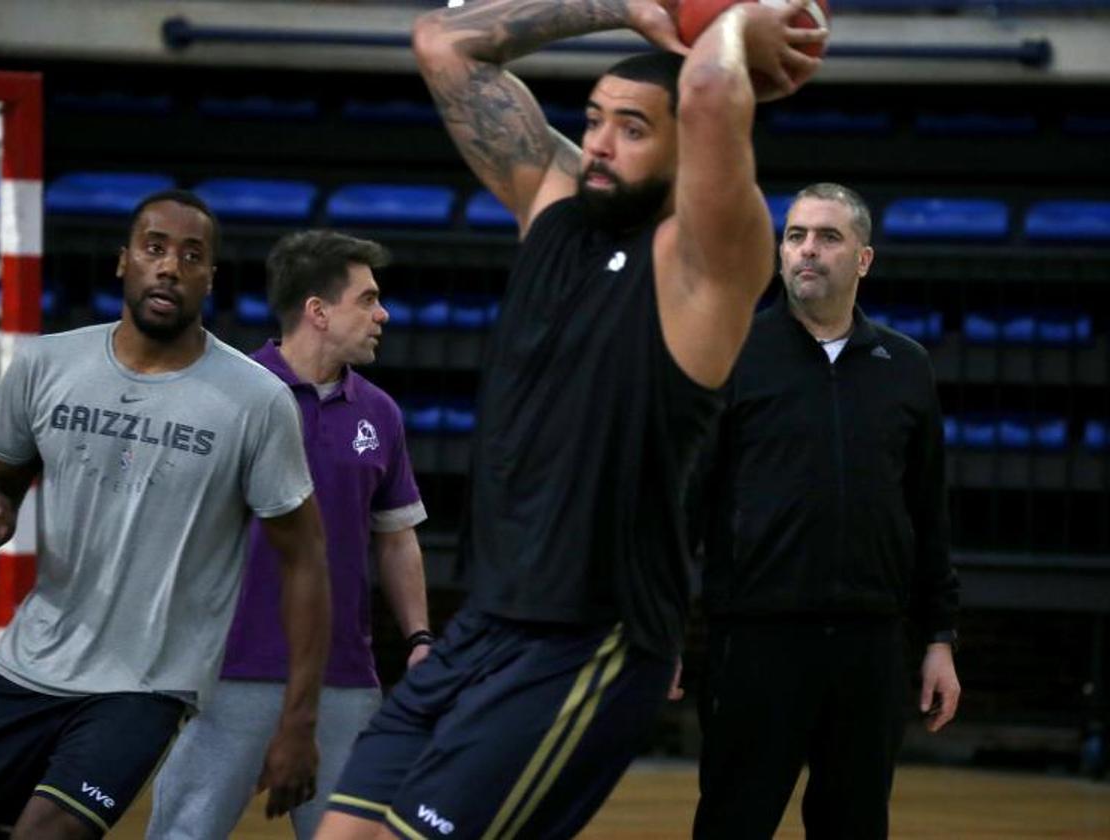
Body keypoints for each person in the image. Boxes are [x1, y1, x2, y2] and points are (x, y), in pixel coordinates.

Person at [317, 1, 825, 838]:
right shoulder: (554, 214)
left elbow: (705, 92)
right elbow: (442, 42)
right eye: (592, 120)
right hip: (483, 625)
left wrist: (733, 24)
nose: (597, 143)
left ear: (681, 149)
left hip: (587, 641)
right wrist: (626, 8)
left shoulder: (707, 261)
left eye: (631, 128)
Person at [0, 190, 331, 840]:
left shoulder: (256, 401)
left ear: (210, 278)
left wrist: (300, 721)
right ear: (123, 261)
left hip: (145, 685)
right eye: (154, 247)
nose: (170, 266)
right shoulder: (48, 365)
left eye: (191, 256)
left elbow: (305, 562)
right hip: (28, 664)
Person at [691, 183, 962, 839]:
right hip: (754, 638)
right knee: (733, 822)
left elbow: (927, 511)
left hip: (871, 646)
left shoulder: (906, 366)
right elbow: (685, 505)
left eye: (828, 237)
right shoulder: (731, 353)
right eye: (795, 236)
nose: (807, 250)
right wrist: (667, 626)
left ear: (863, 259)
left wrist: (939, 638)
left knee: (855, 826)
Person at [146, 229, 431, 839]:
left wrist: (420, 635)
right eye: (368, 299)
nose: (382, 313)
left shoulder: (381, 413)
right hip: (228, 670)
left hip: (345, 676)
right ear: (318, 311)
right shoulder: (224, 394)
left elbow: (397, 537)